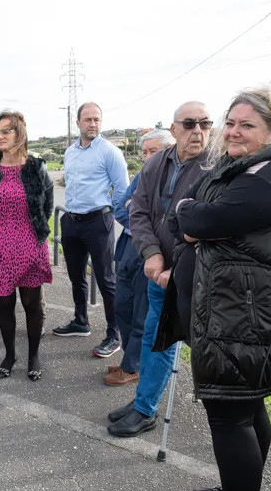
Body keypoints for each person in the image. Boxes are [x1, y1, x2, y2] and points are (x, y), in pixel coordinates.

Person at [156, 87, 271, 491]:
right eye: (233, 123)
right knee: (244, 408)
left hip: (243, 321)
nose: (235, 132)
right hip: (228, 315)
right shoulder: (237, 168)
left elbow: (198, 221)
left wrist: (195, 220)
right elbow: (184, 215)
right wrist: (194, 218)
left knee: (229, 417)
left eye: (248, 125)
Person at [107, 101, 211, 437]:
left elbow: (206, 228)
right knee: (152, 338)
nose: (198, 131)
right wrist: (152, 254)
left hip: (183, 276)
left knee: (165, 342)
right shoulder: (158, 164)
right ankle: (142, 402)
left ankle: (146, 408)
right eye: (191, 124)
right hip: (156, 271)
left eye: (205, 124)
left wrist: (175, 267)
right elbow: (137, 211)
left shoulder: (215, 167)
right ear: (175, 128)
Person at [0, 110, 53, 380]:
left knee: (32, 304)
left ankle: (34, 355)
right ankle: (10, 354)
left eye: (5, 131)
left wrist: (37, 234)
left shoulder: (37, 166)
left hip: (30, 244)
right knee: (4, 304)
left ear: (20, 134)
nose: (0, 136)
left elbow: (47, 205)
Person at [53, 102, 129, 361]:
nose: (93, 124)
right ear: (78, 123)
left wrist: (116, 218)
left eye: (97, 119)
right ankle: (80, 321)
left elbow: (122, 190)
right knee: (76, 276)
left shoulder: (110, 152)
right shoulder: (70, 152)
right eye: (88, 119)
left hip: (99, 222)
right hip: (72, 221)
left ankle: (114, 334)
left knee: (107, 280)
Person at [103, 129, 175, 386]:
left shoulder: (175, 177)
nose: (147, 157)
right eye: (145, 152)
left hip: (153, 253)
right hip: (129, 247)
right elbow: (120, 207)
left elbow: (167, 219)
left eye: (153, 151)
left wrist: (140, 212)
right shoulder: (143, 175)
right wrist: (140, 216)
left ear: (168, 150)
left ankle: (132, 366)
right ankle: (130, 357)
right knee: (122, 305)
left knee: (141, 313)